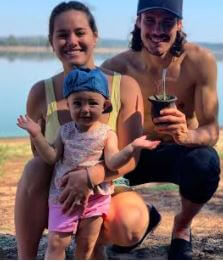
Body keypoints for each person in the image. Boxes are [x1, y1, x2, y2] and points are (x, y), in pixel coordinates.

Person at [14, 1, 162, 259]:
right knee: (34, 168)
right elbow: (42, 158)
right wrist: (70, 183)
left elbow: (130, 161)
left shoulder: (124, 87)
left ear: (95, 36)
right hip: (60, 189)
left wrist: (90, 177)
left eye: (80, 32)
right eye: (62, 35)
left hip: (107, 187)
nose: (71, 40)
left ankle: (94, 246)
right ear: (51, 42)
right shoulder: (40, 93)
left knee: (130, 224)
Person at [102, 0, 221, 259]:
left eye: (167, 22)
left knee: (205, 163)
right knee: (96, 165)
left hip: (178, 151)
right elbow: (96, 128)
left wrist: (186, 134)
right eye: (150, 21)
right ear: (138, 22)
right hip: (131, 156)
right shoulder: (114, 68)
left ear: (179, 24)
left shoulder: (200, 62)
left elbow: (212, 130)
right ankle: (141, 218)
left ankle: (181, 227)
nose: (158, 30)